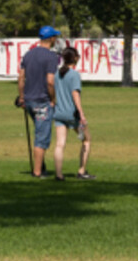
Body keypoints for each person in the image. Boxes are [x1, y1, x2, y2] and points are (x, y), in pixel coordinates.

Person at [19, 26, 64, 178]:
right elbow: (50, 82)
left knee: (39, 132)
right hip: (42, 101)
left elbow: (21, 78)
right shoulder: (51, 57)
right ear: (51, 39)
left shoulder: (28, 54)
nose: (56, 39)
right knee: (42, 136)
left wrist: (21, 97)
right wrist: (53, 99)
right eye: (55, 37)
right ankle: (37, 172)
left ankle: (41, 166)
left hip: (29, 101)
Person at [51, 44, 93, 180]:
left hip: (59, 113)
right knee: (86, 140)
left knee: (60, 144)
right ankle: (81, 171)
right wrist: (81, 113)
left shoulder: (57, 74)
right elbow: (75, 94)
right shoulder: (74, 75)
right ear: (75, 58)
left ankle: (58, 174)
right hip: (72, 114)